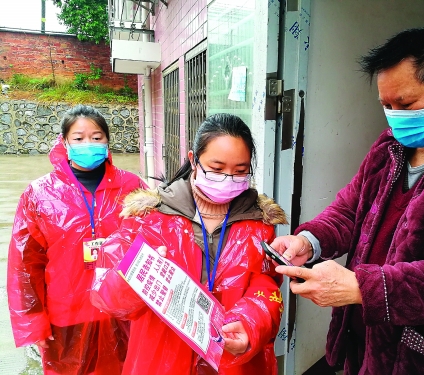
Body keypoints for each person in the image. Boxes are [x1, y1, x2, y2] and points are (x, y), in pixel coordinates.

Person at [271, 25, 424, 374]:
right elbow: (350, 210)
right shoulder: (390, 145)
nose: (396, 116)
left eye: (406, 104)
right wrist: (309, 240)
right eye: (387, 105)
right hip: (362, 341)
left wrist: (364, 288)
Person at [90, 113, 287, 375]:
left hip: (233, 361)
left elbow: (267, 285)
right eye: (217, 169)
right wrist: (135, 274)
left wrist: (250, 322)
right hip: (161, 361)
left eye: (240, 171)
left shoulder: (258, 224)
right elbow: (108, 297)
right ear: (194, 160)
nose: (228, 179)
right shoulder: (150, 218)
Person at [7, 105, 147, 374]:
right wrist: (33, 323)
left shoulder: (132, 188)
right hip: (66, 316)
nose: (89, 144)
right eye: (79, 138)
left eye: (96, 138)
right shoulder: (39, 194)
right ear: (64, 142)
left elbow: (149, 249)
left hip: (123, 312)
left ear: (107, 141)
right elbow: (24, 266)